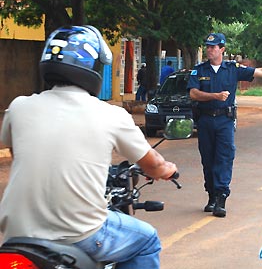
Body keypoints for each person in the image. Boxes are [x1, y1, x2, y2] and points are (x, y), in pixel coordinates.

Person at [0, 25, 178, 268]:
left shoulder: (19, 107)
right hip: (79, 234)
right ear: (93, 68)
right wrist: (165, 169)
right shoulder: (111, 115)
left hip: (16, 235)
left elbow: (17, 153)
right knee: (147, 240)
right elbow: (152, 164)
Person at [187, 33, 262, 218]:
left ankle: (221, 198)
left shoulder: (232, 69)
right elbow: (193, 94)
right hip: (206, 120)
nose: (209, 49)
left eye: (213, 47)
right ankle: (211, 195)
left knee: (224, 157)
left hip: (225, 120)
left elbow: (260, 71)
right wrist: (214, 96)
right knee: (208, 160)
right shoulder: (199, 70)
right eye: (207, 46)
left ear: (222, 49)